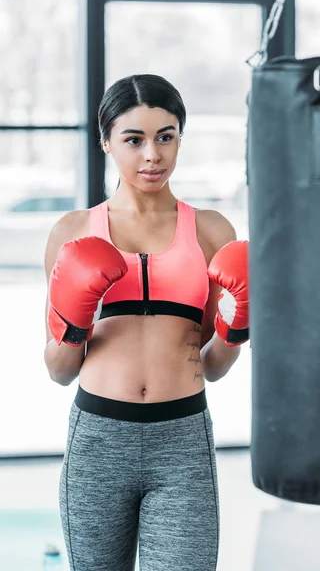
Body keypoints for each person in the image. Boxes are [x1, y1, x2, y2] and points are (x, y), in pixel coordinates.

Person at [43, 73, 249, 571]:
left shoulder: (209, 229)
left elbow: (213, 365)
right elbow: (59, 369)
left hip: (181, 438)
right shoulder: (73, 232)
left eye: (166, 136)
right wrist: (74, 317)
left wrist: (237, 325)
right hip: (98, 439)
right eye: (133, 140)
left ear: (180, 137)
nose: (152, 155)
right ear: (107, 142)